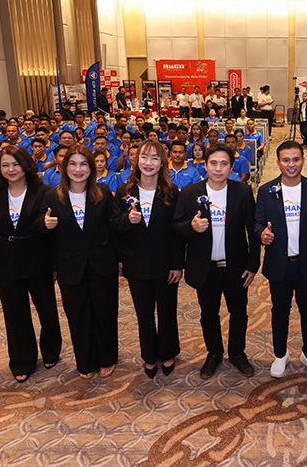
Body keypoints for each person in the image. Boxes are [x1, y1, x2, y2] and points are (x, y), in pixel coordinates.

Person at [0, 145, 61, 383]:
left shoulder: (45, 192)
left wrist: (54, 263)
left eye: (16, 164)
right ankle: (22, 359)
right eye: (5, 165)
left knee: (47, 310)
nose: (11, 169)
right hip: (6, 260)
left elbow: (50, 230)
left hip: (38, 258)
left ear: (26, 165)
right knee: (14, 313)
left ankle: (51, 350)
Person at [173, 144, 260, 379]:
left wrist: (253, 265)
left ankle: (237, 353)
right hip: (205, 267)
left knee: (239, 312)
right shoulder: (190, 193)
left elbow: (252, 230)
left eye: (224, 164)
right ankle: (214, 353)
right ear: (205, 165)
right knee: (208, 314)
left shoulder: (242, 192)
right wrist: (191, 226)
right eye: (213, 163)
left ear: (231, 167)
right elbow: (176, 228)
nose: (218, 168)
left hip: (236, 267)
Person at [37, 145, 119, 380]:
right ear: (64, 168)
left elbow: (114, 228)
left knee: (105, 313)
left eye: (83, 164)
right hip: (69, 266)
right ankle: (85, 360)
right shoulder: (52, 196)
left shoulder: (103, 192)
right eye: (72, 164)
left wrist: (120, 260)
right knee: (77, 315)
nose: (78, 169)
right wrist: (44, 224)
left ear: (91, 168)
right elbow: (41, 231)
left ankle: (107, 357)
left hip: (102, 263)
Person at [255, 141, 307, 379]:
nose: (291, 164)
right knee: (280, 311)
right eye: (286, 160)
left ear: (303, 161)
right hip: (279, 264)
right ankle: (280, 354)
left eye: (296, 159)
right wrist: (262, 234)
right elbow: (257, 223)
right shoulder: (267, 190)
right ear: (278, 163)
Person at [114, 140, 183, 378]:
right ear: (136, 160)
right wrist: (127, 220)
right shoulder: (124, 191)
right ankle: (149, 356)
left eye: (155, 158)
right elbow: (114, 226)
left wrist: (177, 264)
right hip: (136, 263)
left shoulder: (172, 192)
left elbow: (177, 231)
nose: (149, 163)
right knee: (143, 313)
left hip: (166, 264)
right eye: (144, 157)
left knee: (167, 311)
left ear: (162, 162)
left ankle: (168, 351)